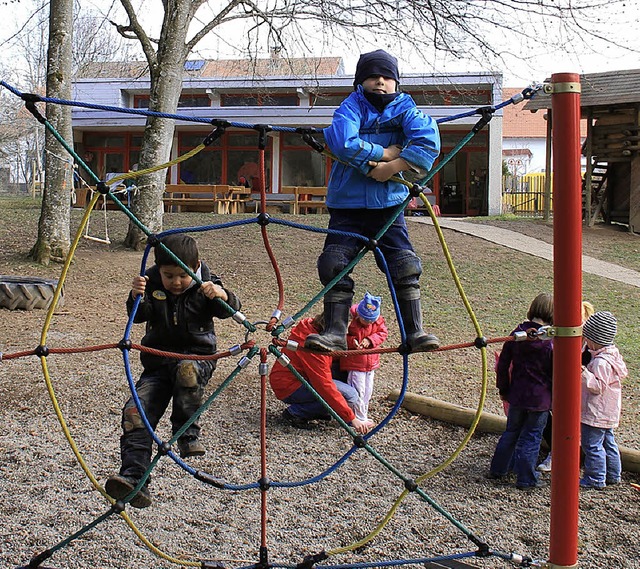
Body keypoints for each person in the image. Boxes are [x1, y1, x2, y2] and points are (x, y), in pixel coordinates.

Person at [304, 49, 441, 354]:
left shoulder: (406, 108)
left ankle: (414, 331)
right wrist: (385, 155)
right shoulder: (351, 107)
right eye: (372, 76)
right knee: (333, 263)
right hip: (348, 205)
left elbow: (428, 141)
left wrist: (393, 168)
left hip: (388, 206)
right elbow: (341, 141)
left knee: (404, 264)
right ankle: (335, 332)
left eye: (387, 76)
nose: (380, 81)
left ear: (396, 82)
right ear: (360, 81)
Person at [105, 233, 242, 508]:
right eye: (169, 276)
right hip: (157, 365)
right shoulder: (152, 282)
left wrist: (222, 294)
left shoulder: (207, 283)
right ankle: (134, 478)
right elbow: (138, 315)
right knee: (134, 412)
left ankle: (187, 433)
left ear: (196, 266)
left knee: (187, 372)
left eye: (182, 275)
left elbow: (230, 309)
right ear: (159, 270)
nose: (176, 282)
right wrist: (135, 296)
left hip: (196, 358)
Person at [489, 293, 554, 490]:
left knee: (511, 432)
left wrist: (503, 388)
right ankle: (526, 479)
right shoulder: (550, 343)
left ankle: (498, 469)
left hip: (517, 394)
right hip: (539, 399)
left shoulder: (516, 334)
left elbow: (503, 364)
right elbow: (554, 372)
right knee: (532, 436)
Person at [269, 313, 373, 434]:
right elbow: (324, 385)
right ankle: (296, 412)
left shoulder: (312, 327)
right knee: (350, 395)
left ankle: (324, 411)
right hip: (290, 385)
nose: (345, 334)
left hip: (295, 376)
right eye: (343, 331)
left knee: (347, 373)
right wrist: (352, 418)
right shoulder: (314, 347)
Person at [537, 299, 595, 473]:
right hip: (558, 388)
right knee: (548, 415)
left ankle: (588, 458)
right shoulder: (557, 339)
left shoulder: (591, 348)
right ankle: (556, 451)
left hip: (583, 393)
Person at [580, 311, 628, 490]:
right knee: (608, 442)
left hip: (595, 412)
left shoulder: (601, 362)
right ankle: (613, 474)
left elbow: (597, 386)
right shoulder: (613, 355)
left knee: (592, 445)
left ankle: (595, 478)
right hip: (608, 412)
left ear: (594, 339)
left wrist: (582, 372)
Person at [340, 292, 388, 428]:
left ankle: (363, 414)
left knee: (368, 390)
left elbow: (383, 333)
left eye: (371, 320)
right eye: (366, 320)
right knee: (357, 390)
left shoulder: (378, 321)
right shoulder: (352, 322)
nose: (369, 322)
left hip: (371, 363)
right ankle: (357, 417)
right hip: (355, 363)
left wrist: (370, 340)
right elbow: (343, 336)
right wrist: (352, 342)